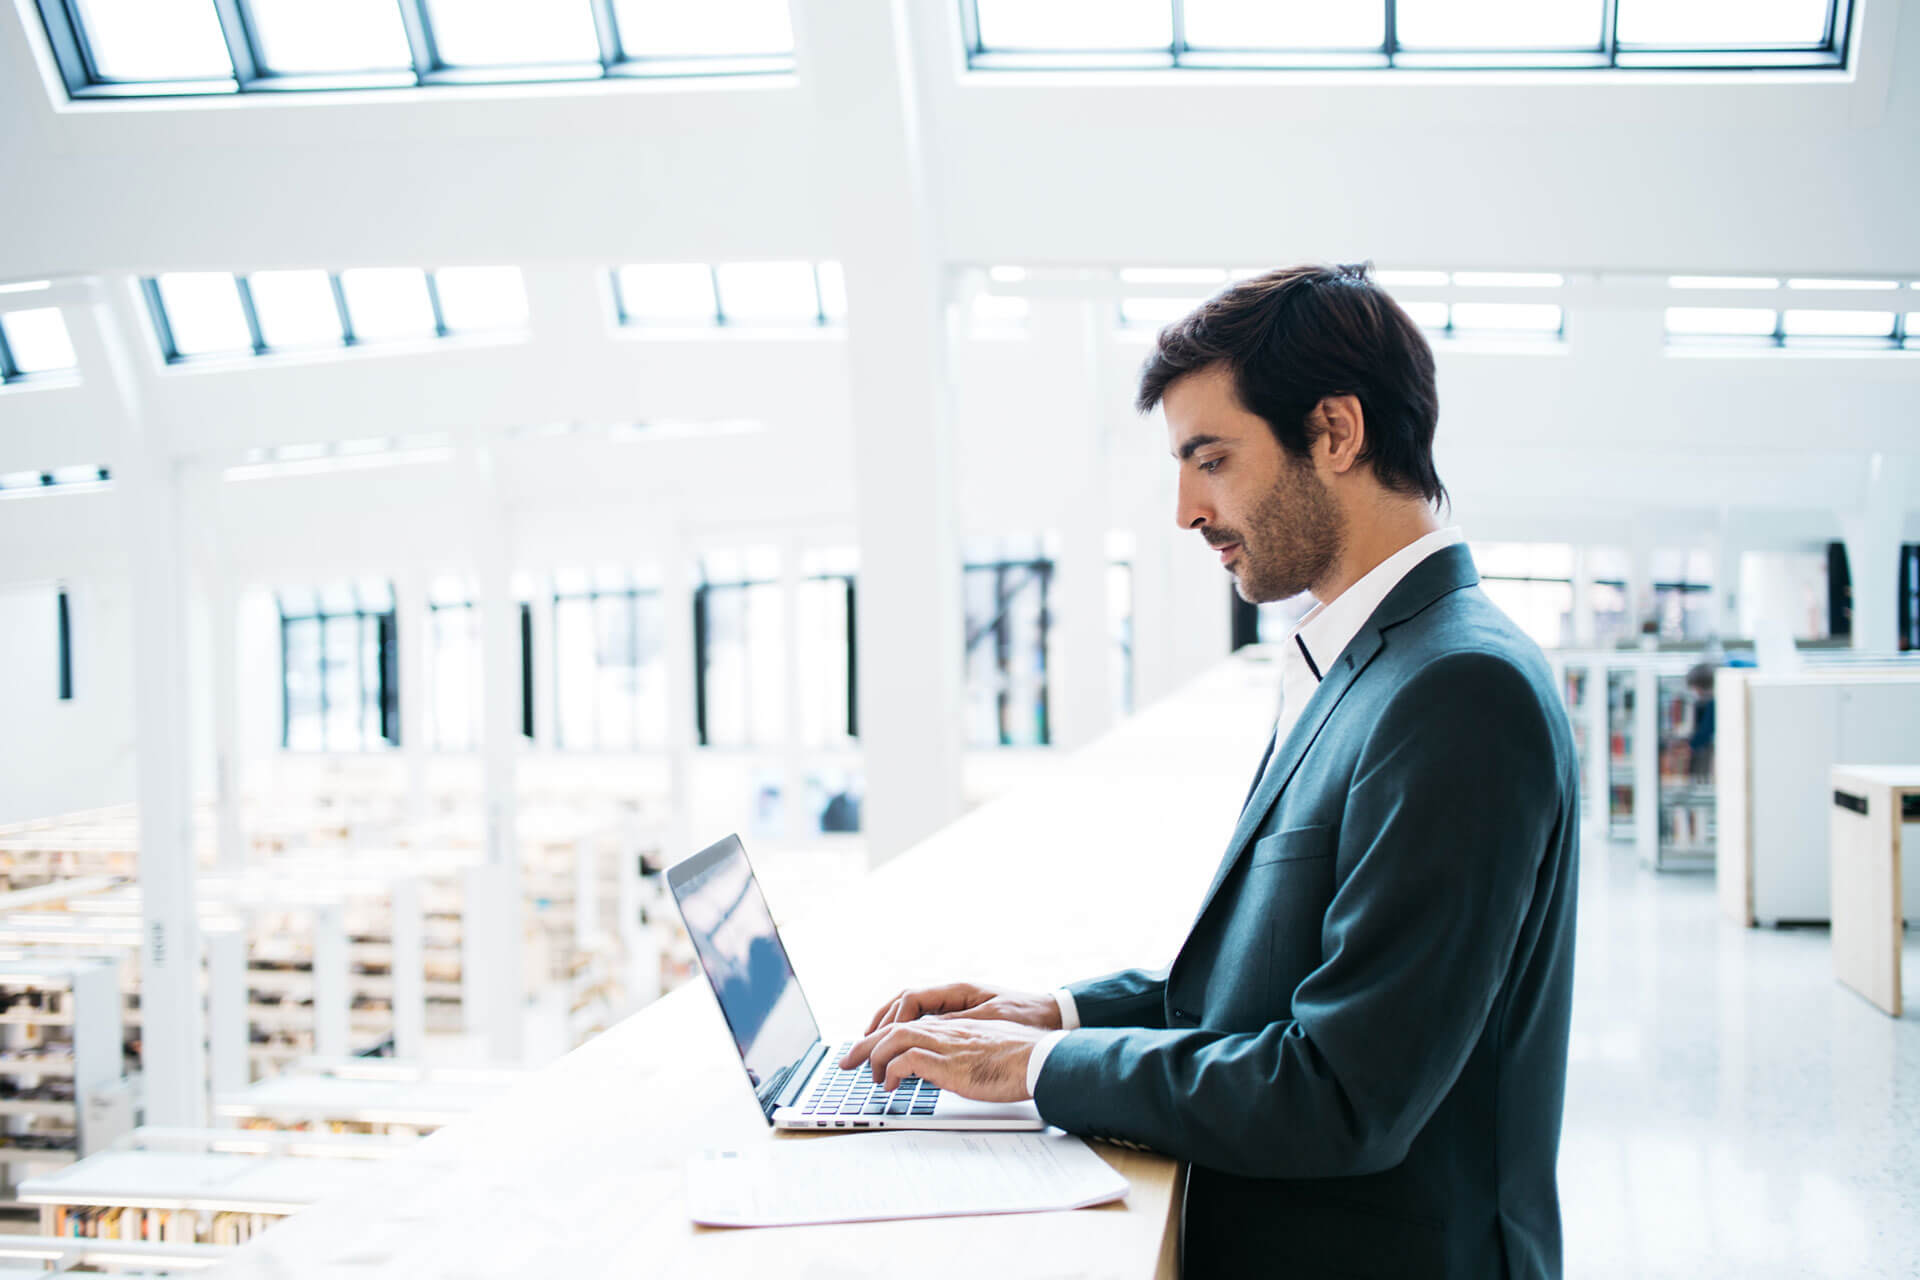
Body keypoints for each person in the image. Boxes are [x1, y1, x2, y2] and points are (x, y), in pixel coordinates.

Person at [840, 263, 1580, 1279]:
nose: (1186, 507)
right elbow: (1274, 987)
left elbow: (1343, 1092)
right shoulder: (1366, 660)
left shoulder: (1460, 691)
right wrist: (1056, 1012)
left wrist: (1036, 1069)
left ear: (1335, 432)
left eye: (1212, 457)